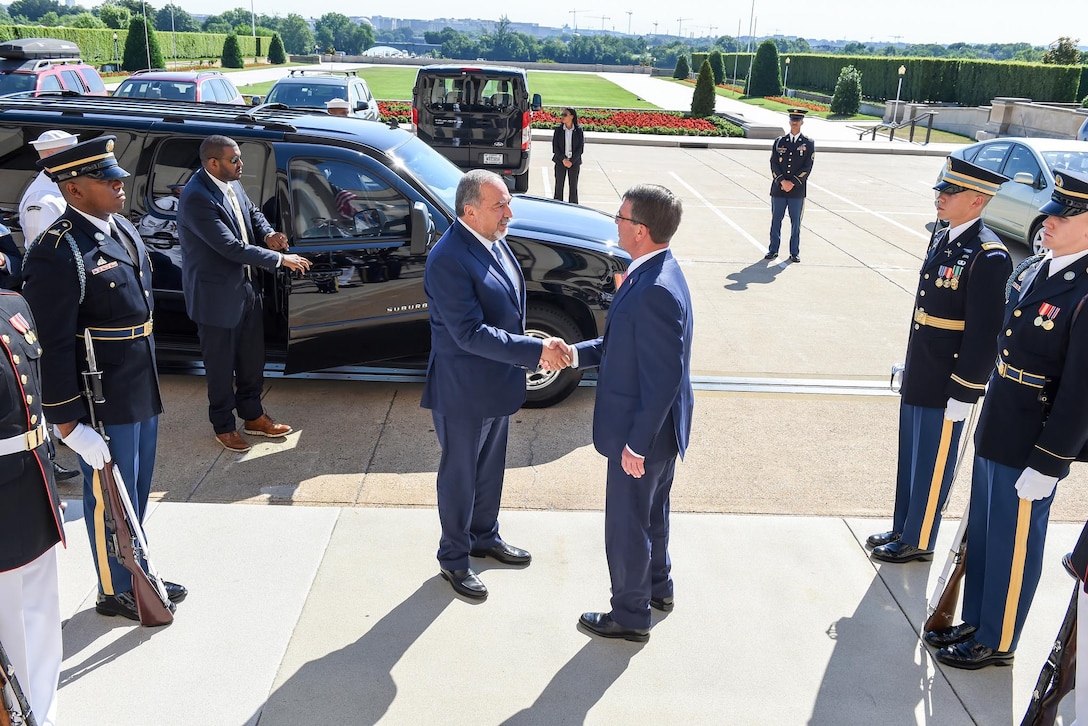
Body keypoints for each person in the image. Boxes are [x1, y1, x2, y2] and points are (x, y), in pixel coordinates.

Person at [924, 167, 1088, 669]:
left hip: (1033, 439)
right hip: (1001, 421)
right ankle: (975, 619)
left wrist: (1051, 461)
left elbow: (1082, 391)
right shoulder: (1042, 268)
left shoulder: (1083, 288)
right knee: (989, 532)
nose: (1050, 222)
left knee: (1016, 545)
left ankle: (997, 640)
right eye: (1052, 213)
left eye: (1067, 215)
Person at [20, 136, 187, 621]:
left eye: (118, 177)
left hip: (138, 384)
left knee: (134, 491)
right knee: (106, 495)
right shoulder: (59, 249)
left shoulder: (121, 230)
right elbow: (48, 342)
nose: (120, 184)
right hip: (100, 396)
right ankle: (116, 588)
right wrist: (68, 424)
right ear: (73, 191)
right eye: (106, 179)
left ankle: (140, 569)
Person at [420, 169, 569, 601]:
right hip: (464, 390)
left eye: (507, 202)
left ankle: (484, 536)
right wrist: (535, 350)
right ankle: (454, 558)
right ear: (470, 211)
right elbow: (468, 333)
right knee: (460, 476)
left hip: (496, 385)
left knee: (488, 471)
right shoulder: (448, 258)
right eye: (499, 205)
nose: (509, 212)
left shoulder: (493, 241)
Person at [869, 158, 1012, 563]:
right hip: (923, 369)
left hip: (949, 380)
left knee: (933, 465)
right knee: (912, 457)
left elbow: (985, 333)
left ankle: (920, 540)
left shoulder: (989, 255)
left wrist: (965, 390)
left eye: (951, 192)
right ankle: (903, 526)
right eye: (941, 189)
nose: (941, 197)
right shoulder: (945, 237)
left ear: (978, 200)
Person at [568, 183, 693, 642]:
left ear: (640, 230)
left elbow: (663, 379)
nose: (614, 225)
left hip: (642, 435)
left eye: (619, 218)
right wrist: (572, 353)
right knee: (652, 515)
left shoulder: (652, 290)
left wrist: (636, 444)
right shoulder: (659, 271)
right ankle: (658, 588)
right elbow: (623, 347)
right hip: (660, 432)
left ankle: (630, 615)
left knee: (626, 525)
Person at [177, 135, 311, 453]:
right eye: (234, 160)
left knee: (252, 361)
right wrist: (281, 259)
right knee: (221, 368)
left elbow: (251, 213)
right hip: (216, 299)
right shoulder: (198, 197)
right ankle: (224, 426)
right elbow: (229, 247)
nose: (241, 164)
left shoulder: (231, 182)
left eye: (239, 158)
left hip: (247, 290)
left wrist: (268, 233)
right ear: (213, 163)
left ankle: (253, 416)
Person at [0, 291, 64, 726]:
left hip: (35, 481)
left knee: (42, 615)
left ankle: (43, 711)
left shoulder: (13, 304)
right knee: (10, 628)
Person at [0, 223, 81, 483]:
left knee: (24, 397)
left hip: (5, 318)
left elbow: (16, 266)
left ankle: (44, 459)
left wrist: (3, 262)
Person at [764, 108, 814, 264]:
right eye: (793, 119)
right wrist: (781, 181)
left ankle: (794, 252)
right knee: (776, 221)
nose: (795, 122)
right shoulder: (780, 141)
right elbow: (773, 163)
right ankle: (773, 249)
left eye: (797, 120)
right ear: (789, 121)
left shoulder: (808, 143)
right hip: (779, 189)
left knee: (796, 223)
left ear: (802, 122)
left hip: (796, 191)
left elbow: (807, 167)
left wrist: (792, 183)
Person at [19, 130, 79, 249]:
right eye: (71, 153)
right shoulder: (41, 201)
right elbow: (42, 252)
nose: (77, 158)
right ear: (52, 156)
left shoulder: (62, 184)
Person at [552, 107, 584, 204]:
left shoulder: (578, 131)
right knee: (559, 186)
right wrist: (563, 159)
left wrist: (571, 161)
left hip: (574, 163)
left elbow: (580, 148)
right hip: (560, 161)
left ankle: (573, 207)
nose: (562, 117)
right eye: (562, 114)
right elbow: (555, 147)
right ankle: (557, 207)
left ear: (572, 117)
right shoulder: (558, 130)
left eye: (565, 115)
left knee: (573, 187)